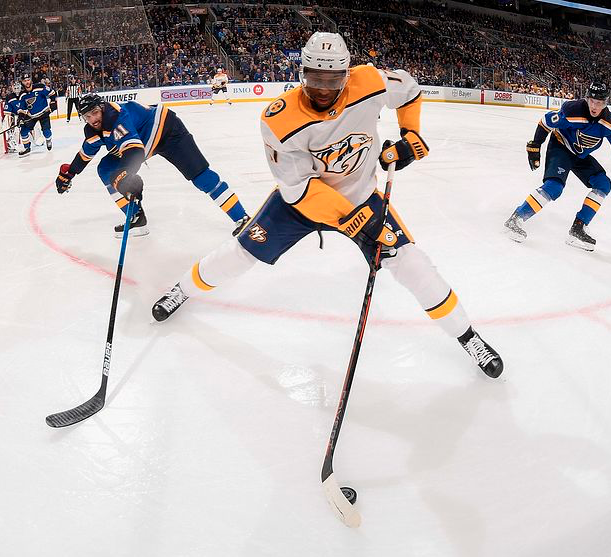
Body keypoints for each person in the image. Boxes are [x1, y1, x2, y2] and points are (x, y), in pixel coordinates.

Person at [149, 32, 504, 378]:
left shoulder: (369, 82)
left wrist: (411, 134)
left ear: (346, 74)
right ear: (302, 73)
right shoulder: (279, 119)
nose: (322, 90)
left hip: (362, 196)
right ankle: (182, 289)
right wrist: (355, 218)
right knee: (242, 252)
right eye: (314, 79)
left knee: (414, 265)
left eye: (332, 80)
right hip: (300, 205)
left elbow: (409, 90)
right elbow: (299, 189)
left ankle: (468, 337)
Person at [54, 93, 249, 238]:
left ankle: (243, 218)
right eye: (87, 116)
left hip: (167, 131)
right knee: (105, 168)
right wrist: (69, 174)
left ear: (102, 108)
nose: (93, 120)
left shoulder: (116, 117)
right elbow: (85, 154)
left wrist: (126, 175)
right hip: (144, 140)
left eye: (95, 113)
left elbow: (135, 151)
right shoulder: (93, 129)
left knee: (200, 176)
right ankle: (136, 217)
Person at [504, 81, 611, 251]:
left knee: (603, 184)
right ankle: (516, 218)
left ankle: (578, 228)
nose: (594, 106)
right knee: (554, 187)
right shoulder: (572, 110)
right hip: (560, 147)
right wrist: (535, 146)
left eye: (599, 103)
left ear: (605, 104)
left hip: (580, 155)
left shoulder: (608, 122)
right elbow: (546, 121)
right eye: (592, 101)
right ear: (586, 99)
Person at [16, 73, 55, 156]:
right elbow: (21, 108)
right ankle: (27, 148)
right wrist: (20, 118)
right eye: (25, 81)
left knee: (46, 132)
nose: (27, 82)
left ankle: (48, 140)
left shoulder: (40, 87)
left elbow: (52, 93)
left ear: (31, 80)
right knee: (23, 131)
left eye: (28, 80)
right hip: (32, 116)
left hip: (43, 113)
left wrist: (53, 102)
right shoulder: (22, 95)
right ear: (22, 82)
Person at [2, 82, 22, 153]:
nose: (17, 89)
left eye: (18, 88)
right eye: (15, 88)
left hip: (24, 116)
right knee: (8, 119)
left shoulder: (24, 94)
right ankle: (11, 142)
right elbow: (6, 112)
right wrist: (14, 116)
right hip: (15, 117)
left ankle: (36, 137)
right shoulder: (9, 97)